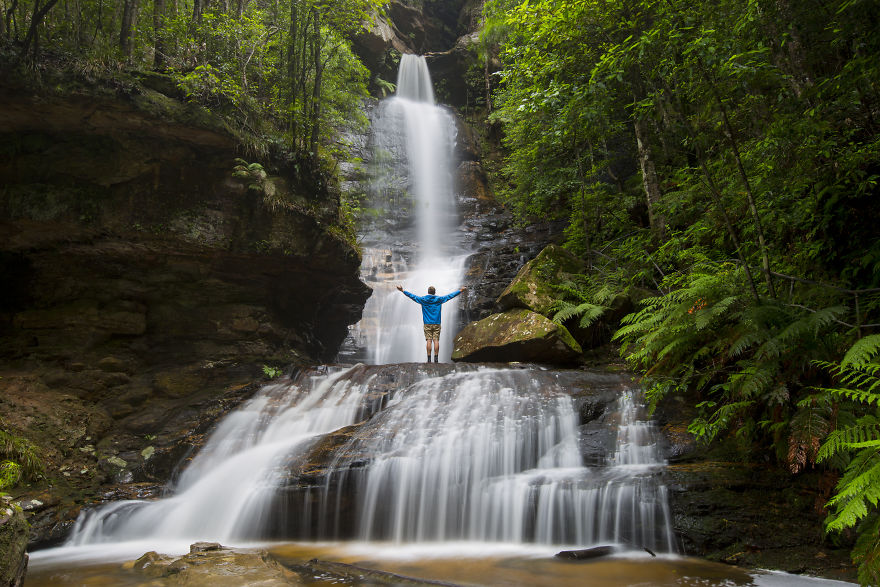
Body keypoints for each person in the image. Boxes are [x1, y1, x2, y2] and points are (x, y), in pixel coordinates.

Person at [396, 284, 467, 363]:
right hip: (437, 323)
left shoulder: (423, 299)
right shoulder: (439, 299)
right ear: (434, 292)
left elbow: (412, 296)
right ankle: (436, 359)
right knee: (436, 340)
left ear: (428, 292)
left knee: (429, 340)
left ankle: (429, 359)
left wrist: (402, 290)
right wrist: (460, 290)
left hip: (427, 323)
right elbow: (450, 296)